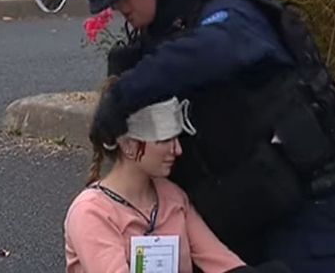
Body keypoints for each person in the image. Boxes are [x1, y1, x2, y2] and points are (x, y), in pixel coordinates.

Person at [35, 0, 335, 273]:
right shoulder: (152, 42)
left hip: (301, 202)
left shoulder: (230, 13)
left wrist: (125, 93)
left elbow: (210, 50)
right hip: (237, 199)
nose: (116, 6)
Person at [64, 78, 290, 273]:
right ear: (128, 145)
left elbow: (220, 261)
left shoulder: (171, 196)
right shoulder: (91, 213)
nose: (177, 150)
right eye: (164, 140)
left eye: (177, 138)